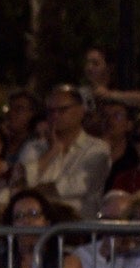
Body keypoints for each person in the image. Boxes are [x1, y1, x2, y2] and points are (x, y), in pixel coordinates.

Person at [15, 85, 110, 218]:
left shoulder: (97, 148)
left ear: (81, 110)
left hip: (79, 226)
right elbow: (19, 180)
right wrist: (52, 152)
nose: (55, 116)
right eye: (50, 111)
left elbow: (75, 186)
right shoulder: (33, 147)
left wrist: (30, 192)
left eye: (62, 110)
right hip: (38, 227)